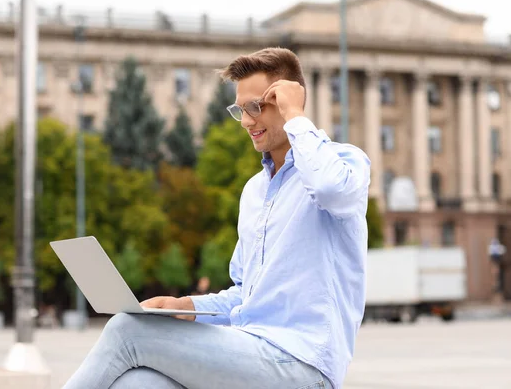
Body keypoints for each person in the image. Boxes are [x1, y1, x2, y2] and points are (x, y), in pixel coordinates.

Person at [62, 47, 370, 389]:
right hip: (251, 351)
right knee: (139, 381)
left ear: (288, 99)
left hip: (304, 365)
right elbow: (245, 297)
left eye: (257, 107)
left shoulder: (343, 162)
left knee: (126, 330)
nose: (248, 121)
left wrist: (296, 116)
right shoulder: (256, 191)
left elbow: (331, 190)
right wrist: (186, 305)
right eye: (240, 110)